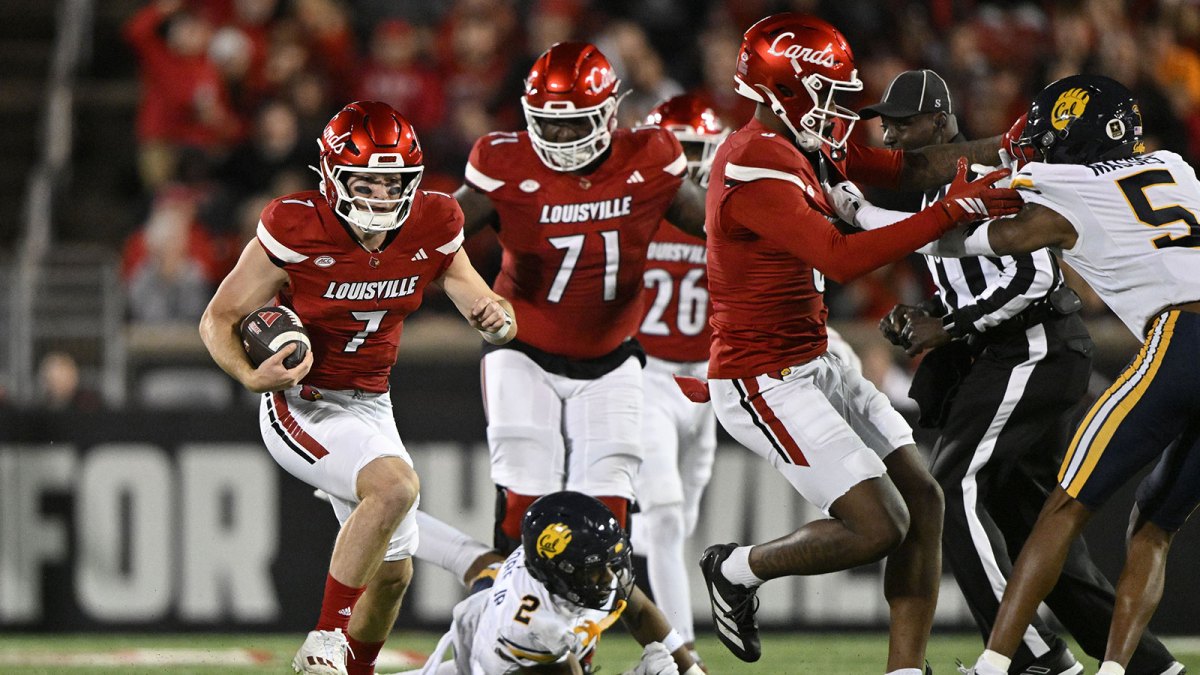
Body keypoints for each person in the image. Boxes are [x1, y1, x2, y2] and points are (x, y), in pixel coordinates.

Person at [696, 13, 1024, 673]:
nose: (839, 112)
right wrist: (952, 211)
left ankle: (905, 669)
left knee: (924, 498)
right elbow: (840, 257)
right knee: (879, 524)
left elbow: (912, 165)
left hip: (817, 354)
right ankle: (736, 568)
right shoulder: (753, 159)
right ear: (786, 89)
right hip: (762, 376)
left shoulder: (804, 143)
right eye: (826, 94)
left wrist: (1013, 147)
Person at [831, 70, 1182, 675]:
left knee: (958, 487)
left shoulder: (1016, 177)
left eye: (903, 122)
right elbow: (968, 267)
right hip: (1014, 349)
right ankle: (1149, 667)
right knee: (1035, 517)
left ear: (941, 121)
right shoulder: (1172, 166)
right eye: (885, 121)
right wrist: (931, 315)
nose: (889, 133)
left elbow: (1033, 276)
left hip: (1036, 344)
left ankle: (1028, 659)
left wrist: (948, 322)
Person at [199, 101, 516, 675]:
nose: (379, 195)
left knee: (394, 576)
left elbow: (472, 291)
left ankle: (356, 670)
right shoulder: (296, 225)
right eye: (366, 181)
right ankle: (325, 638)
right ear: (331, 176)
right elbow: (218, 317)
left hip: (373, 401)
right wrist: (249, 375)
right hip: (303, 401)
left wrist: (495, 314)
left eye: (392, 182)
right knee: (396, 488)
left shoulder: (434, 221)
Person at [447, 40, 707, 557]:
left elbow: (720, 227)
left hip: (612, 357)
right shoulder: (504, 163)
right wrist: (474, 295)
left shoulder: (650, 157)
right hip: (522, 350)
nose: (560, 136)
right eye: (547, 122)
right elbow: (434, 240)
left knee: (608, 523)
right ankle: (508, 630)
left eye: (574, 122)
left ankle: (578, 639)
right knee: (524, 504)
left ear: (610, 113)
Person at [630, 93, 727, 664]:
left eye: (696, 150)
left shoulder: (725, 208)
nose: (688, 163)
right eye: (678, 150)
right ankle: (680, 652)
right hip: (648, 377)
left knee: (676, 524)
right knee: (665, 518)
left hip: (708, 384)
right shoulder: (635, 210)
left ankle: (605, 550)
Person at [418, 492, 701, 675]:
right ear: (559, 572)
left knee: (478, 561)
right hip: (495, 667)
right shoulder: (535, 626)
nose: (609, 577)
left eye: (608, 565)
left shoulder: (568, 564)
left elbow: (639, 612)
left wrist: (692, 672)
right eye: (594, 569)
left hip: (492, 608)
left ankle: (405, 520)